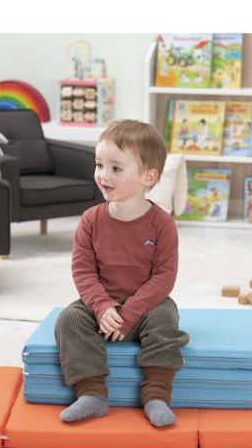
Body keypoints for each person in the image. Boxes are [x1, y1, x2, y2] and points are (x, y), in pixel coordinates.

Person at [55, 119, 189, 427]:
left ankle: (156, 395)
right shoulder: (90, 220)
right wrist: (102, 307)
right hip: (100, 306)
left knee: (166, 319)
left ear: (148, 177)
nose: (103, 175)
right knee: (69, 319)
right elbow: (83, 271)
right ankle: (91, 394)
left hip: (147, 306)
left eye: (116, 168)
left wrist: (129, 313)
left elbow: (164, 278)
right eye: (99, 165)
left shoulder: (162, 224)